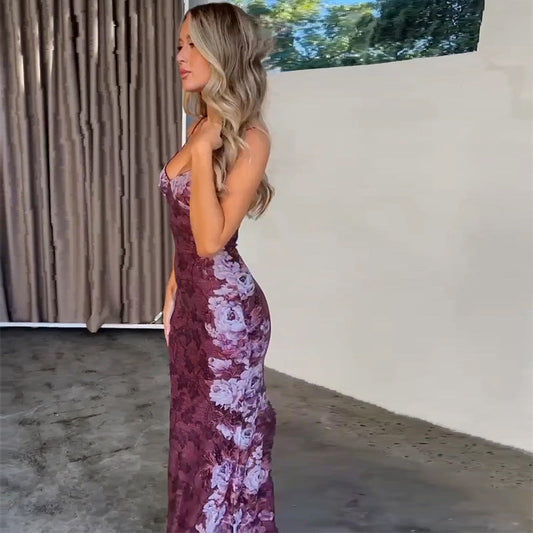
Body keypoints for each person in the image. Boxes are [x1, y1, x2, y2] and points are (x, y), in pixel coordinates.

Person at [158, 3, 278, 531]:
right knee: (193, 430)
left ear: (221, 51)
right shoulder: (201, 125)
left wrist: (205, 152)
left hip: (229, 319)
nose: (180, 55)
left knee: (224, 439)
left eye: (192, 44)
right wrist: (172, 292)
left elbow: (210, 241)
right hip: (192, 304)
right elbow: (183, 231)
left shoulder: (249, 137)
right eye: (180, 45)